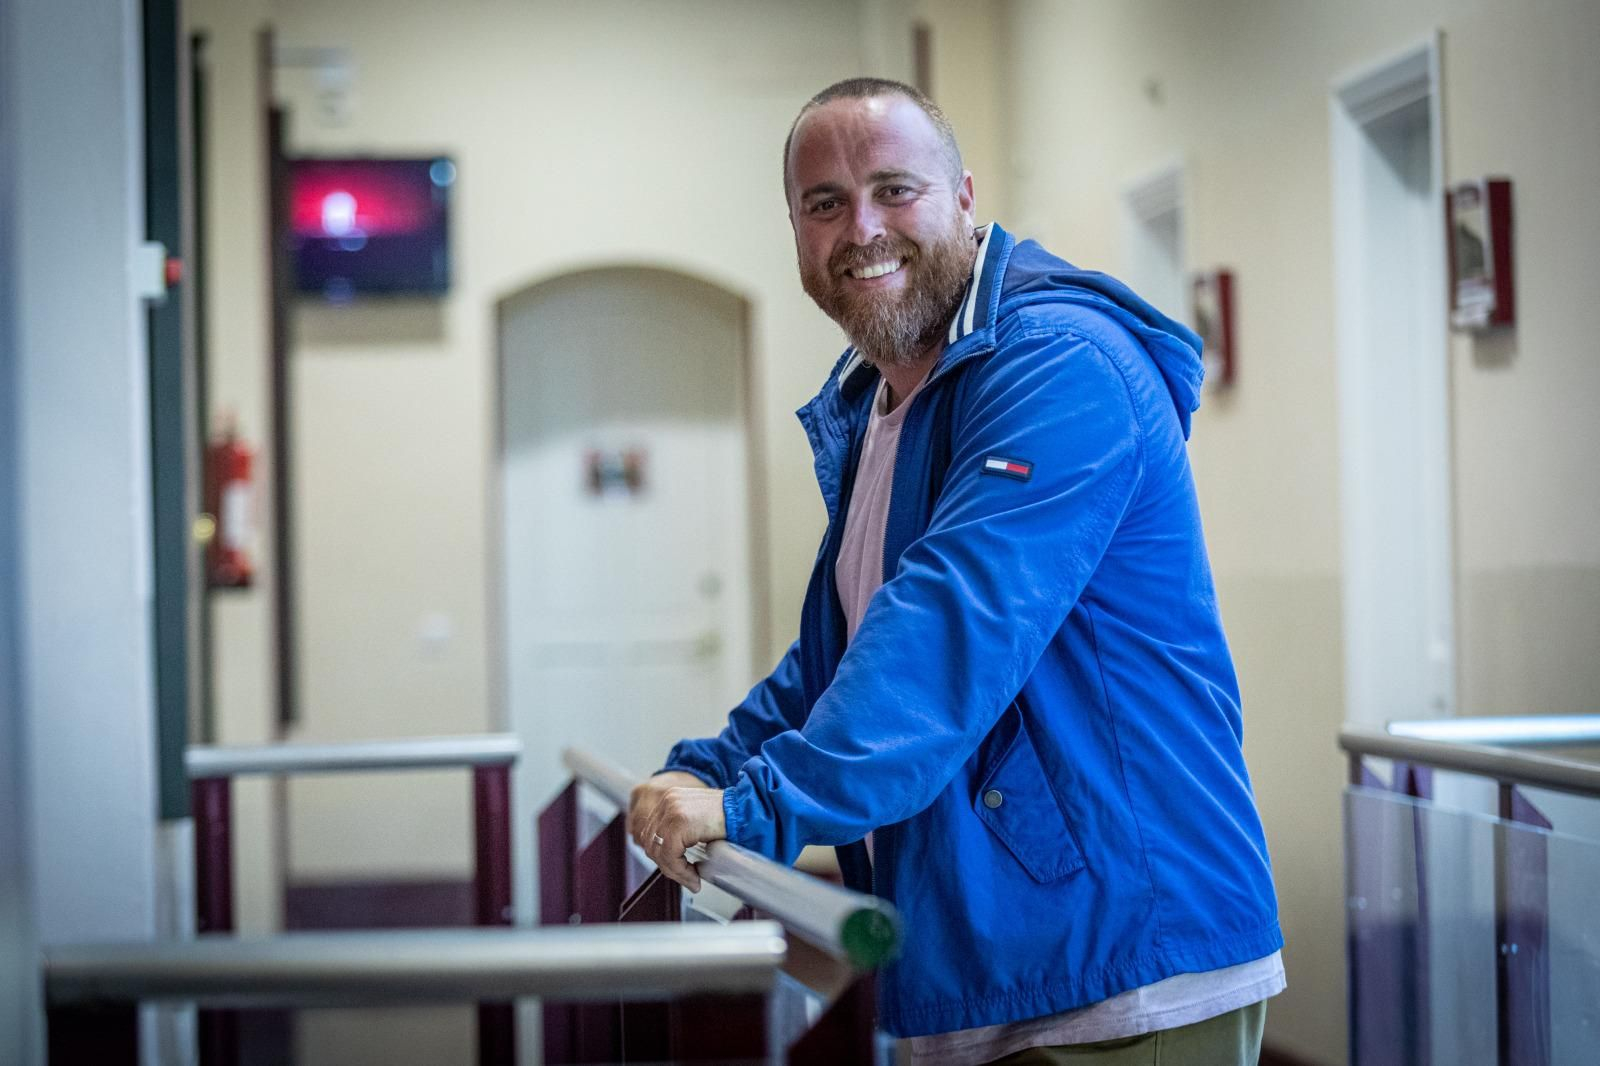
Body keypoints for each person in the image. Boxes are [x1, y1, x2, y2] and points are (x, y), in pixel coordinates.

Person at [626, 77, 1283, 1065]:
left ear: (965, 197)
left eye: (895, 189)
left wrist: (755, 808)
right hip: (995, 951)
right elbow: (837, 658)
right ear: (795, 231)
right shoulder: (887, 404)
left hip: (1129, 961)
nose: (862, 227)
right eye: (824, 204)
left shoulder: (1058, 363)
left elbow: (947, 627)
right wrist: (709, 766)